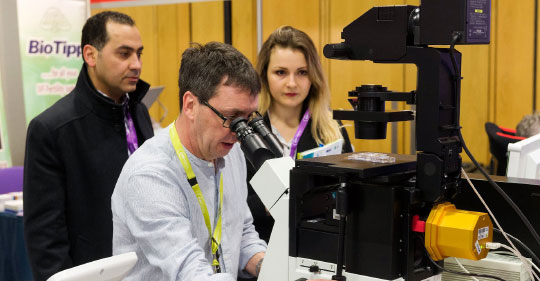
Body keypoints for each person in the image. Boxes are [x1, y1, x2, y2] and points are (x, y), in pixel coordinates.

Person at [111, 42, 266, 280]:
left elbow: (241, 233)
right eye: (231, 117)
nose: (239, 131)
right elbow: (187, 269)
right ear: (190, 105)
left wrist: (278, 269)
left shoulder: (230, 151)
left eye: (248, 118)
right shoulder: (150, 175)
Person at [23, 11, 154, 281]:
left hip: (147, 267)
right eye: (124, 53)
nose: (136, 64)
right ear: (90, 55)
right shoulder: (51, 129)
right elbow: (45, 237)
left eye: (139, 54)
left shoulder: (138, 112)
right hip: (95, 272)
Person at [246, 26, 353, 243]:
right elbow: (228, 204)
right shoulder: (246, 132)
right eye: (281, 72)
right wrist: (268, 204)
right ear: (264, 75)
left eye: (302, 72)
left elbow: (351, 194)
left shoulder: (332, 129)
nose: (292, 83)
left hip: (319, 250)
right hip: (261, 252)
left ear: (313, 76)